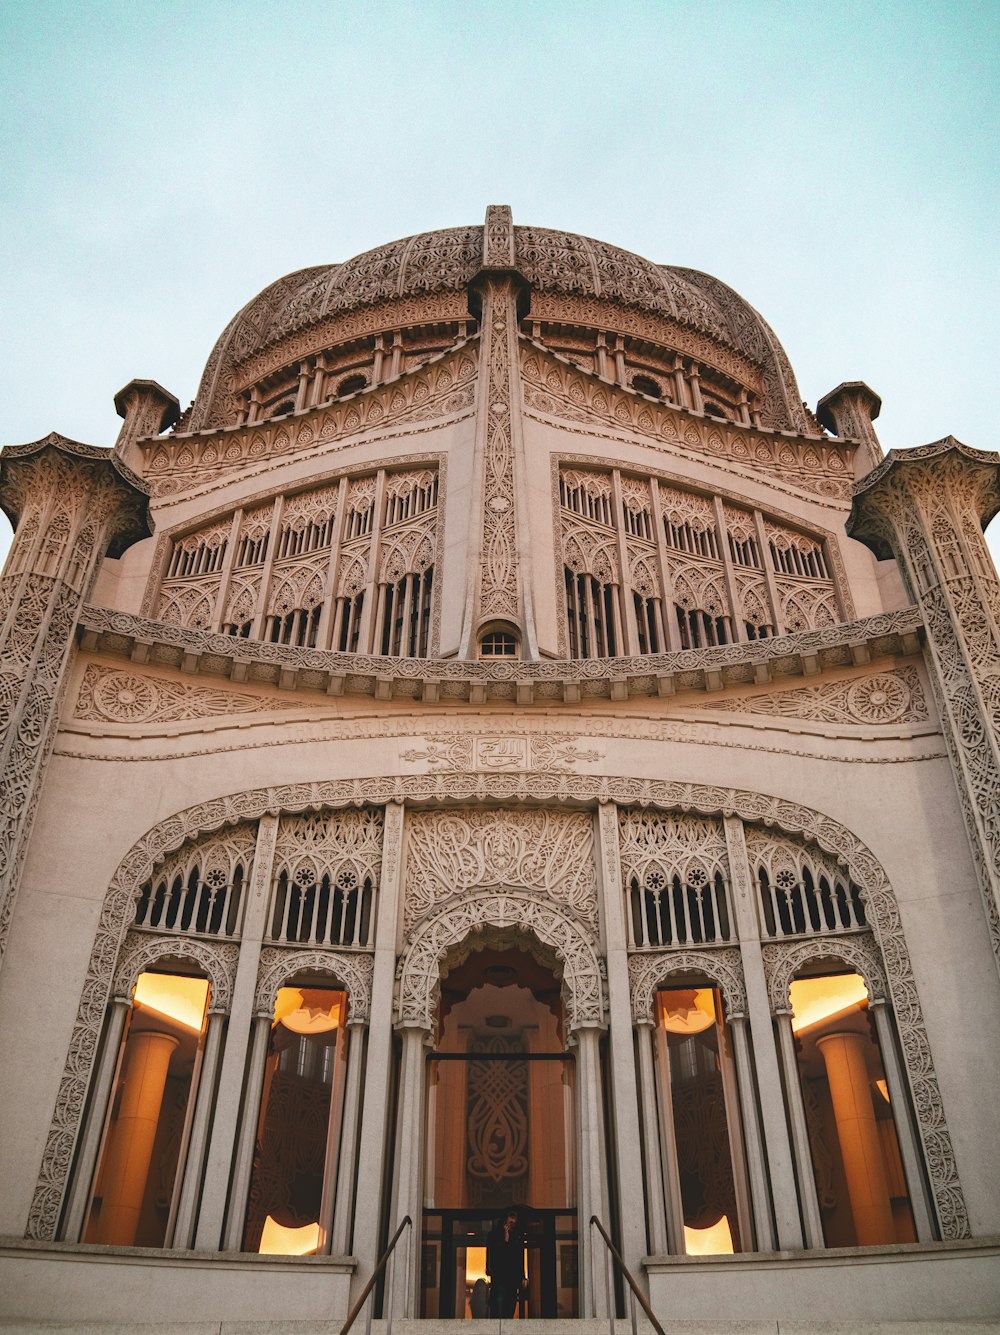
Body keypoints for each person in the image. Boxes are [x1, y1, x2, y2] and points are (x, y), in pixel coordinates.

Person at [486, 1210, 524, 1317]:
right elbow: (494, 1254)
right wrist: (505, 1239)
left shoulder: (516, 1237)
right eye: (510, 1222)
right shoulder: (494, 1235)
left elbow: (518, 1258)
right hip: (500, 1278)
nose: (512, 1224)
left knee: (508, 1309)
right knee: (499, 1309)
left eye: (514, 1223)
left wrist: (521, 1276)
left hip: (510, 1280)